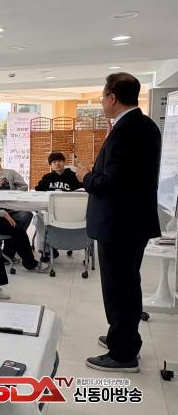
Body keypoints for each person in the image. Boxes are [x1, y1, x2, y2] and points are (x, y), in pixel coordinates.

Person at [76, 73, 161, 373]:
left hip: (119, 225)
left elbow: (113, 184)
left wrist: (85, 177)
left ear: (112, 98)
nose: (102, 102)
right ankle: (121, 337)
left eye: (102, 97)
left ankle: (123, 354)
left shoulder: (127, 131)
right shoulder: (144, 125)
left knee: (119, 289)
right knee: (127, 285)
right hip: (131, 223)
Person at [33, 152, 84, 261]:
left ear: (64, 162)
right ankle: (46, 250)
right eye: (54, 162)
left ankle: (59, 244)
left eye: (60, 161)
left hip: (70, 211)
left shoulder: (74, 176)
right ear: (51, 165)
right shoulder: (47, 178)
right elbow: (37, 192)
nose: (57, 164)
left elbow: (82, 191)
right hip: (50, 211)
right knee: (38, 218)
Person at [0, 150, 33, 231]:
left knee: (27, 214)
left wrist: (12, 194)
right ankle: (16, 233)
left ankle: (17, 233)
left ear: (0, 159)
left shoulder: (11, 172)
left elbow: (24, 186)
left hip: (12, 208)